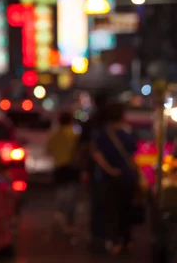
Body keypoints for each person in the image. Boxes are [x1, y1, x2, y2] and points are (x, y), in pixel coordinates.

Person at [92, 102, 137, 255]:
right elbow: (133, 155)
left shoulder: (101, 134)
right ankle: (127, 240)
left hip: (108, 179)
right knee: (126, 209)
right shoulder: (127, 134)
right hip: (126, 178)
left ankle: (114, 241)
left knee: (111, 211)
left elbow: (97, 155)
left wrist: (110, 170)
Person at [78, 92, 109, 250]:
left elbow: (83, 146)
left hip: (96, 170)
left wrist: (84, 168)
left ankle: (98, 237)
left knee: (97, 204)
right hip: (109, 171)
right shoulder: (110, 122)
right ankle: (108, 237)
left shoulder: (92, 122)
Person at [47, 112, 80, 234]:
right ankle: (67, 219)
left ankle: (59, 212)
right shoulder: (74, 135)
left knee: (61, 191)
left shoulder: (54, 135)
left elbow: (48, 150)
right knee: (71, 194)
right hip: (72, 167)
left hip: (59, 167)